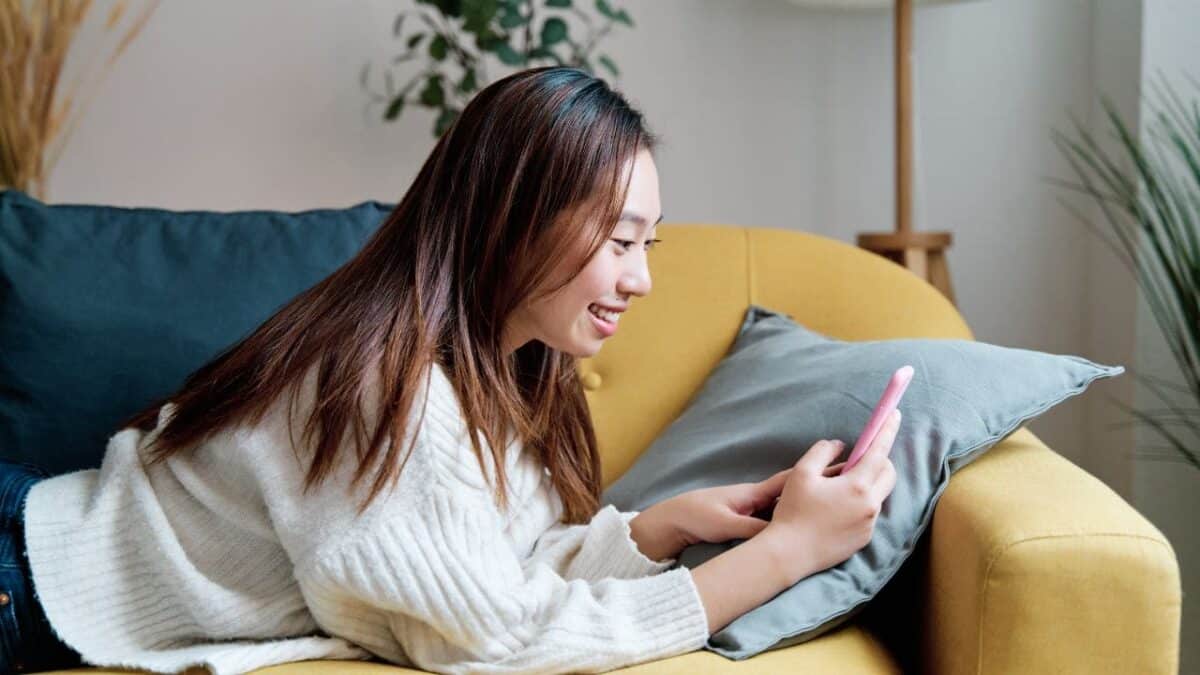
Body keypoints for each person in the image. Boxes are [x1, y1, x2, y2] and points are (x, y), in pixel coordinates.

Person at [1, 66, 900, 675]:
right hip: (21, 574)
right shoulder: (391, 392)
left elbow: (488, 572)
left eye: (646, 242)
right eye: (621, 239)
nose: (643, 276)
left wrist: (656, 531)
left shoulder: (501, 369)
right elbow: (497, 641)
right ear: (516, 218)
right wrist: (790, 552)